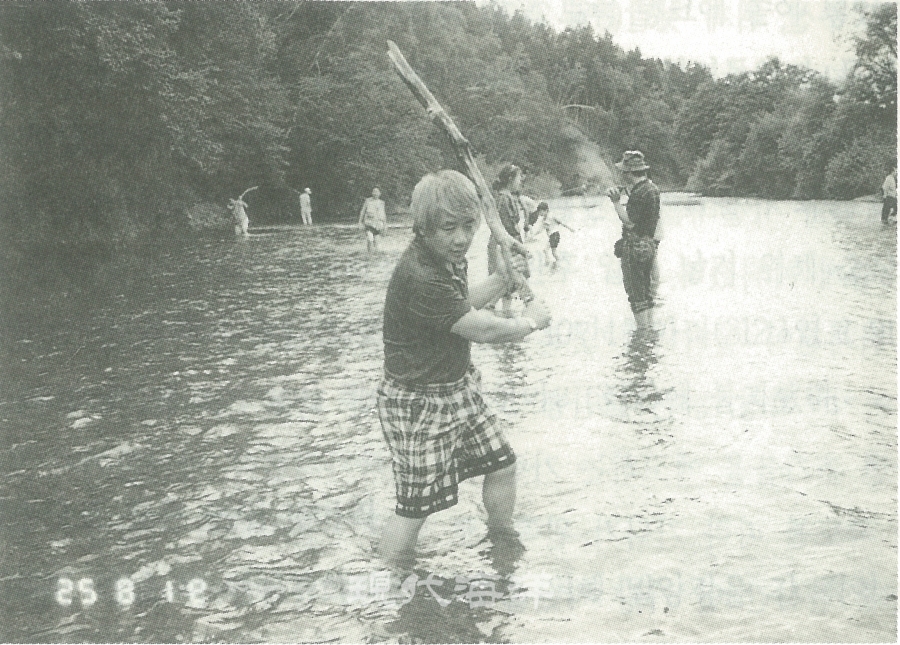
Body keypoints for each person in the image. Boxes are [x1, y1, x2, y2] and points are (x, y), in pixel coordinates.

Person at [377, 169, 552, 567]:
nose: (460, 238)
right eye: (448, 228)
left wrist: (504, 279)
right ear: (422, 228)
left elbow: (460, 303)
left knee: (502, 464)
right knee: (415, 506)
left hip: (456, 388)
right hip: (418, 402)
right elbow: (480, 329)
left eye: (468, 226)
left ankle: (502, 540)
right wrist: (530, 322)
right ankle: (387, 578)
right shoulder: (421, 275)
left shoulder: (443, 260)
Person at [607, 150, 660, 329]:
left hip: (634, 246)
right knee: (647, 292)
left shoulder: (638, 193)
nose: (622, 174)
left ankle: (642, 337)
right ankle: (650, 333)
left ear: (629, 172)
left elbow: (629, 222)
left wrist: (616, 202)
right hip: (650, 244)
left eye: (624, 172)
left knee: (636, 294)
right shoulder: (652, 188)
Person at [488, 164, 530, 317]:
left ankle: (505, 314)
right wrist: (519, 247)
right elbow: (507, 226)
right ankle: (492, 309)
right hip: (505, 244)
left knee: (508, 283)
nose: (521, 180)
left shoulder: (504, 196)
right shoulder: (505, 198)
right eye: (519, 177)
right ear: (511, 179)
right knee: (509, 280)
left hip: (502, 242)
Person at [359, 187, 387, 252]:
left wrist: (385, 225)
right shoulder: (368, 201)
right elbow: (363, 211)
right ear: (372, 193)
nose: (375, 193)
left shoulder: (382, 203)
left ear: (380, 193)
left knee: (377, 244)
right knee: (370, 239)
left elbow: (383, 214)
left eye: (377, 192)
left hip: (378, 225)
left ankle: (375, 257)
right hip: (369, 223)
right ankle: (369, 255)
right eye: (374, 191)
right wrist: (360, 222)